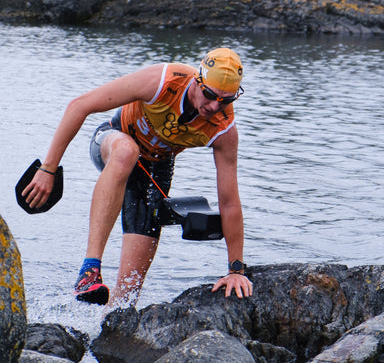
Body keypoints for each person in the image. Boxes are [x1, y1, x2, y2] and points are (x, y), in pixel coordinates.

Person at [22, 47, 253, 306]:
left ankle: (104, 330)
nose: (214, 106)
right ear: (197, 80)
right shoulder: (162, 82)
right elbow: (80, 105)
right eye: (210, 95)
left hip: (154, 169)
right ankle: (89, 270)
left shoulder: (223, 129)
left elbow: (230, 202)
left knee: (126, 299)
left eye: (227, 99)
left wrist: (236, 271)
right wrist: (48, 169)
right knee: (127, 151)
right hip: (113, 139)